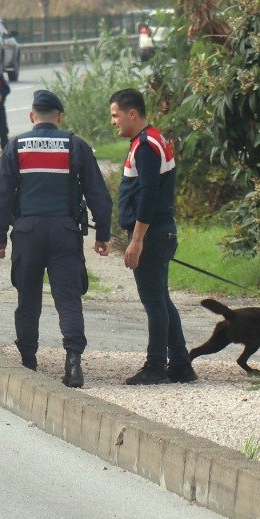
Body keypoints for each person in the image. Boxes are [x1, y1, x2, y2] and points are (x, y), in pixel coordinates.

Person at [0, 89, 112, 388]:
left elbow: (4, 198)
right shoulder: (75, 145)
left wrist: (0, 237)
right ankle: (73, 363)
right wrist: (104, 235)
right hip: (65, 233)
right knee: (68, 299)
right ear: (59, 117)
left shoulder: (15, 147)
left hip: (27, 233)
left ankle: (28, 362)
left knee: (28, 299)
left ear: (32, 116)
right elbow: (99, 194)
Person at [109, 88, 195, 385]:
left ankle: (156, 366)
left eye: (115, 115)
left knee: (154, 301)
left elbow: (148, 194)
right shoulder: (153, 138)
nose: (113, 121)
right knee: (161, 299)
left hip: (152, 233)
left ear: (131, 113)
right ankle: (181, 364)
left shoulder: (146, 146)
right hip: (161, 231)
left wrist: (137, 239)